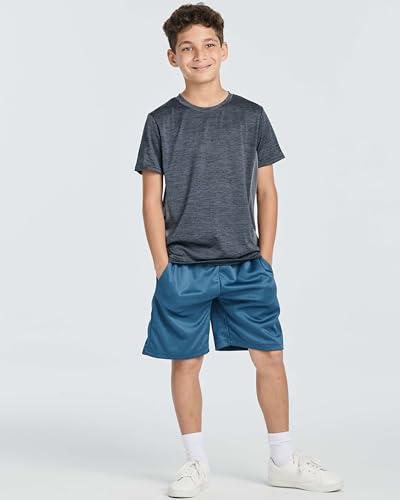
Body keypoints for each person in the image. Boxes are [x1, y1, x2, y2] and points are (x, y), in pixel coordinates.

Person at [134, 3, 343, 497]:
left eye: (208, 45)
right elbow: (150, 199)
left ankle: (282, 460)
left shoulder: (251, 116)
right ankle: (195, 463)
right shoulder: (160, 121)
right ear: (172, 58)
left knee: (270, 357)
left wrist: (264, 259)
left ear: (224, 50)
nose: (199, 55)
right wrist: (162, 268)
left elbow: (267, 191)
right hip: (184, 266)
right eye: (187, 48)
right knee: (186, 362)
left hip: (246, 265)